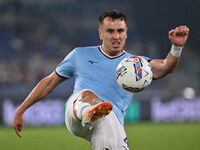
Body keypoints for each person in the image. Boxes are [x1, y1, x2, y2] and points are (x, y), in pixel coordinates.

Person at [12, 10, 189, 150]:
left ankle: (96, 114)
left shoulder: (136, 64)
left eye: (120, 31)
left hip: (110, 121)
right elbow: (49, 82)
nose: (116, 36)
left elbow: (166, 67)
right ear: (100, 33)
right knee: (87, 95)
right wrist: (21, 110)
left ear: (126, 33)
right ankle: (88, 111)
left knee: (107, 119)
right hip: (76, 115)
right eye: (110, 31)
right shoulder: (79, 55)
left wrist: (176, 47)